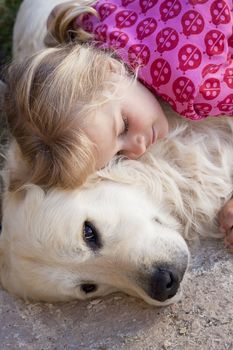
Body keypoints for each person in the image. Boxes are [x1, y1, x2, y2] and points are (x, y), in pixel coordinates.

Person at [4, 0, 233, 243]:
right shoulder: (90, 23)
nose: (137, 148)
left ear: (111, 68)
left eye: (124, 125)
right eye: (119, 155)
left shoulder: (191, 86)